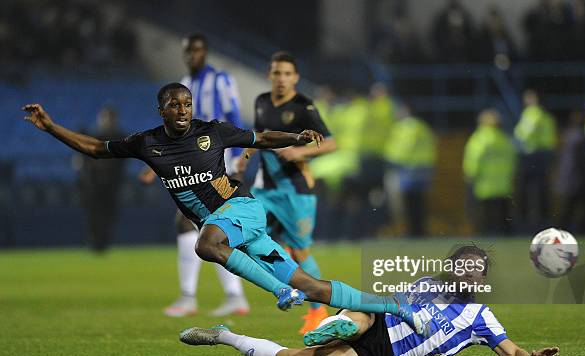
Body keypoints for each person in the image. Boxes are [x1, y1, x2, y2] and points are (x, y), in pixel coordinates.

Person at [22, 83, 425, 333]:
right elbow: (95, 149)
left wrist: (295, 137)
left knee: (205, 244)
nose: (183, 110)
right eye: (174, 105)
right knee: (313, 287)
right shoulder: (147, 143)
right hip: (237, 228)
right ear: (160, 110)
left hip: (241, 211)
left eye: (187, 103)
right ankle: (396, 307)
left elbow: (260, 137)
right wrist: (51, 126)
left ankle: (277, 290)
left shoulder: (212, 132)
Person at [179, 246, 560, 356]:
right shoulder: (428, 284)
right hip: (381, 322)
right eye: (463, 266)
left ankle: (226, 336)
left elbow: (512, 355)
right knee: (365, 312)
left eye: (476, 270)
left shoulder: (482, 319)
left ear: (482, 278)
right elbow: (390, 301)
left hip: (386, 354)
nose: (469, 274)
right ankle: (340, 321)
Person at [140, 33, 248, 317]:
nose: (192, 55)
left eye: (197, 50)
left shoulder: (221, 80)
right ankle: (233, 296)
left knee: (192, 223)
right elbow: (174, 134)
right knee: (205, 227)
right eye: (188, 51)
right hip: (192, 164)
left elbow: (235, 117)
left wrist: (238, 160)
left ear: (206, 52)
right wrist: (155, 165)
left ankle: (194, 297)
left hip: (217, 163)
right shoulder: (185, 85)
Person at [240, 52, 336, 334]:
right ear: (270, 75)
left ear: (295, 78)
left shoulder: (304, 106)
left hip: (295, 192)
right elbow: (258, 135)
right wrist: (244, 154)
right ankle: (284, 288)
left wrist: (299, 151)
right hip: (265, 189)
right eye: (276, 73)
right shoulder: (261, 102)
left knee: (301, 250)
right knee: (250, 239)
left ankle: (318, 311)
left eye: (286, 74)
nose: (281, 78)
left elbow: (330, 144)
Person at [74, 106, 125, 252]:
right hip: (94, 185)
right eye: (105, 117)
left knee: (109, 214)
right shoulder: (94, 137)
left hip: (112, 185)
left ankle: (103, 243)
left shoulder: (120, 138)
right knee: (94, 215)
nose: (106, 121)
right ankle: (95, 243)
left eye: (109, 118)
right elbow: (82, 159)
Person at [383, 104, 436, 237]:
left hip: (410, 168)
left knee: (410, 201)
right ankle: (418, 230)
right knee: (419, 201)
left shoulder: (408, 127)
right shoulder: (422, 126)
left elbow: (405, 147)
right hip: (423, 166)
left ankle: (414, 231)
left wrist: (390, 159)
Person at [463, 109, 516, 235]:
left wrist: (470, 175)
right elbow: (512, 161)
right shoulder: (504, 140)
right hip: (503, 186)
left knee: (485, 222)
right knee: (503, 221)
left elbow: (474, 160)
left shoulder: (480, 139)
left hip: (484, 187)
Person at [514, 90, 556, 232]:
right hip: (544, 155)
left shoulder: (532, 114)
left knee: (525, 191)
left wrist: (517, 142)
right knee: (542, 191)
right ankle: (545, 222)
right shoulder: (546, 116)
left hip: (531, 155)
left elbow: (523, 134)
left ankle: (524, 224)